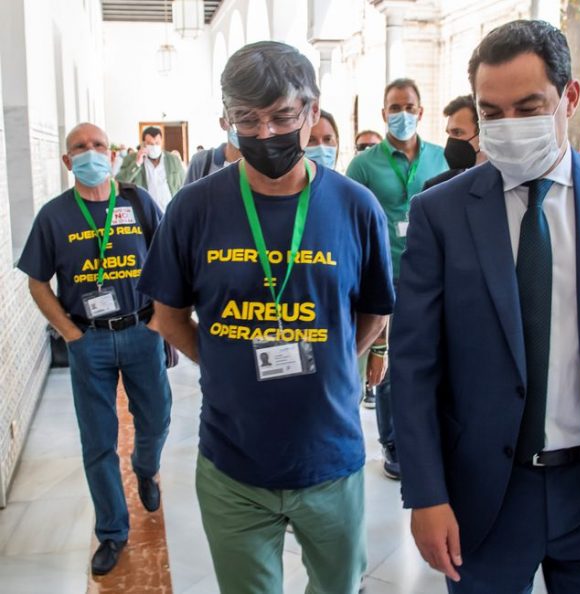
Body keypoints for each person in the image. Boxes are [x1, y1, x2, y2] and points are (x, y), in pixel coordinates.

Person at [390, 20, 580, 593]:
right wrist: (426, 493)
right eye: (492, 112)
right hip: (485, 492)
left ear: (570, 97)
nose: (509, 127)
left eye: (529, 107)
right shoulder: (441, 213)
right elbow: (412, 367)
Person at [137, 41, 395, 594]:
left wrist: (334, 358)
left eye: (282, 116)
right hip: (233, 465)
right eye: (246, 120)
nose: (265, 134)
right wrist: (224, 360)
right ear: (225, 119)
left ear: (312, 109)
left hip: (331, 458)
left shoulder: (356, 207)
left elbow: (375, 311)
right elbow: (168, 314)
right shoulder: (194, 207)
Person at [17, 123, 172, 576]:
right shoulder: (54, 216)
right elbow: (36, 281)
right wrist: (70, 333)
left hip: (142, 331)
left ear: (112, 152)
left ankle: (146, 467)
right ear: (67, 162)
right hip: (90, 340)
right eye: (80, 148)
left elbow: (168, 263)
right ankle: (112, 532)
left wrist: (162, 320)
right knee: (98, 441)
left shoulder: (138, 203)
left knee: (157, 417)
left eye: (98, 146)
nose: (91, 153)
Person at [346, 77, 448, 480]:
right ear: (383, 113)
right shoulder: (364, 164)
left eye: (408, 107)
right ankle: (392, 441)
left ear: (421, 112)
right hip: (385, 278)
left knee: (435, 361)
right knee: (390, 362)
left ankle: (431, 440)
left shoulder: (440, 159)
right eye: (394, 107)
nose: (401, 114)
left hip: (434, 276)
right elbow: (352, 225)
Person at [423, 94, 487, 190]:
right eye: (449, 134)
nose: (450, 141)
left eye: (457, 132)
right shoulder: (435, 188)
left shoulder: (509, 184)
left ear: (482, 134)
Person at [116, 126, 184, 212]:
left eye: (157, 143)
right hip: (144, 211)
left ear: (162, 142)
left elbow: (184, 184)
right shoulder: (131, 159)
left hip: (170, 211)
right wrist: (137, 163)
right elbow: (120, 181)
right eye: (150, 144)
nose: (154, 146)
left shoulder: (173, 160)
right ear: (144, 144)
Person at [184, 113, 242, 184]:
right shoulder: (202, 162)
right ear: (222, 123)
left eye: (251, 121)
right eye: (238, 122)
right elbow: (187, 194)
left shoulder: (257, 163)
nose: (244, 129)